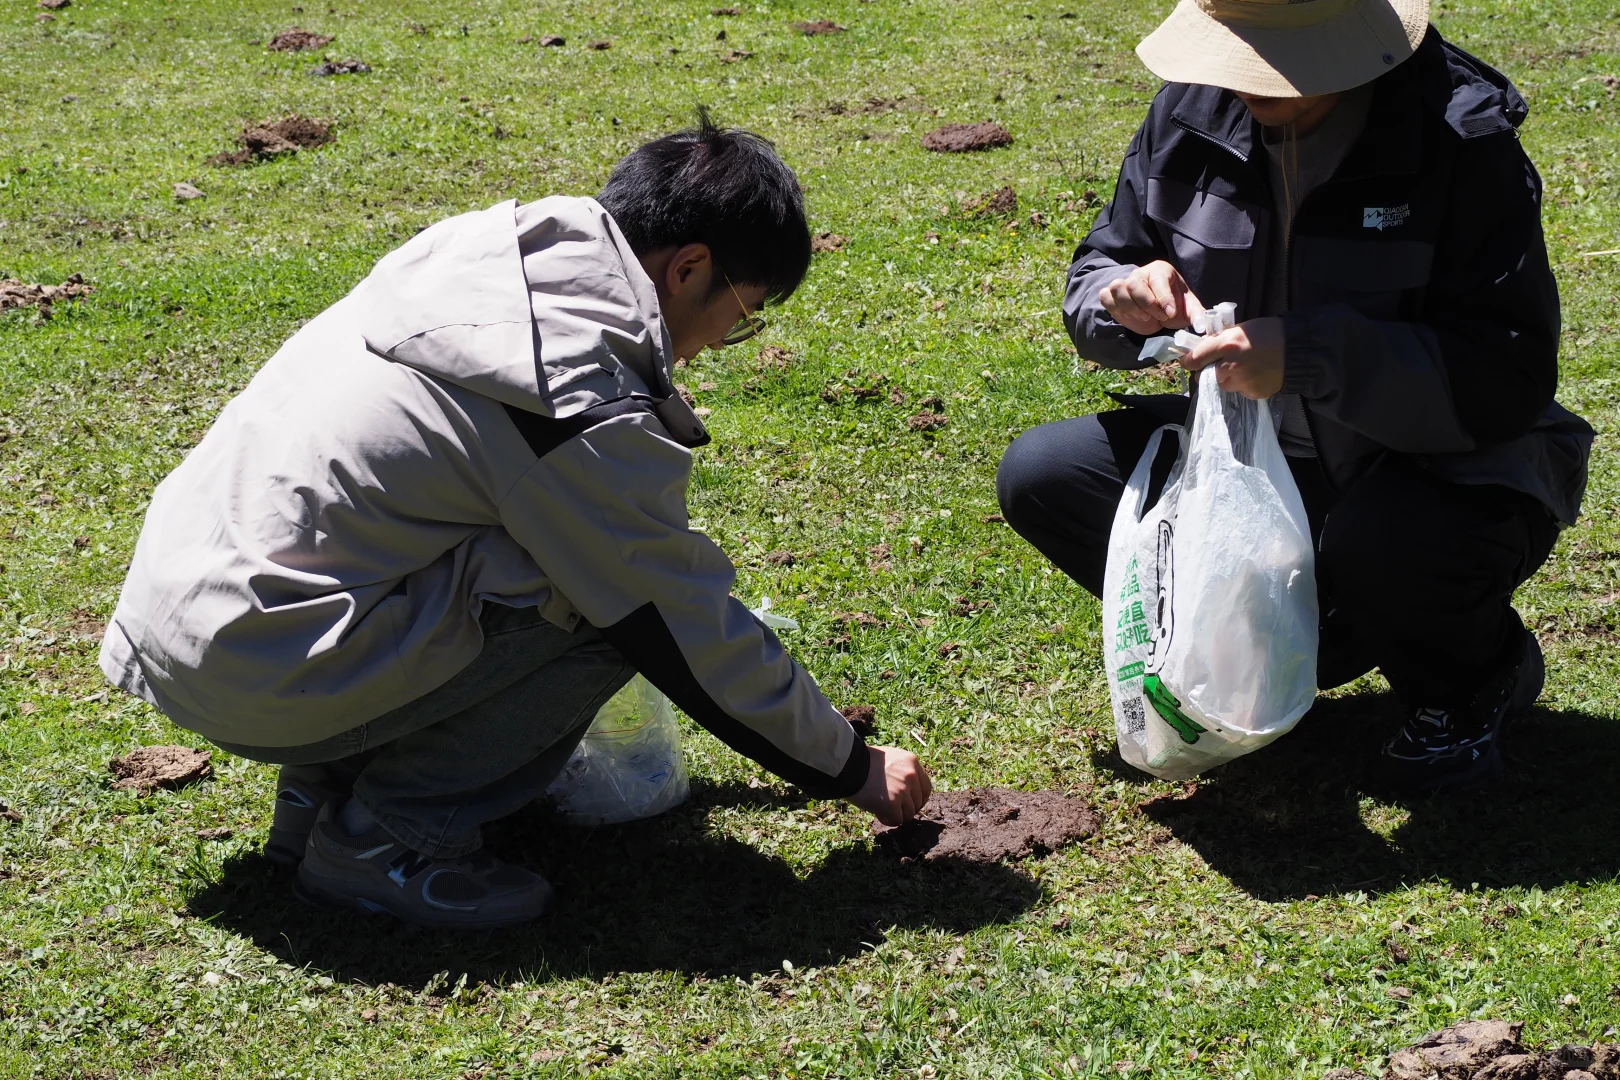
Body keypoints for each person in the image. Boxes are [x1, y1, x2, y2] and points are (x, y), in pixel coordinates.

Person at [99, 112, 931, 929]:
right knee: (601, 602)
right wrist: (850, 767)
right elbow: (678, 617)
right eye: (742, 317)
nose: (723, 342)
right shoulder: (570, 390)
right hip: (261, 668)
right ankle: (388, 838)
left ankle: (323, 790)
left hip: (192, 616)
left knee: (513, 542)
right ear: (688, 269)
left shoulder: (485, 258)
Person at [996, 0, 1592, 791]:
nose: (1247, 82)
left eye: (1279, 59)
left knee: (1385, 546)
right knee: (1045, 473)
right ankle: (1300, 644)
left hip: (1435, 462)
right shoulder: (1188, 109)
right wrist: (1120, 300)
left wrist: (1309, 356)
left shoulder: (1458, 135)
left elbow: (1505, 374)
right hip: (1256, 444)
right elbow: (1103, 264)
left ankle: (1477, 678)